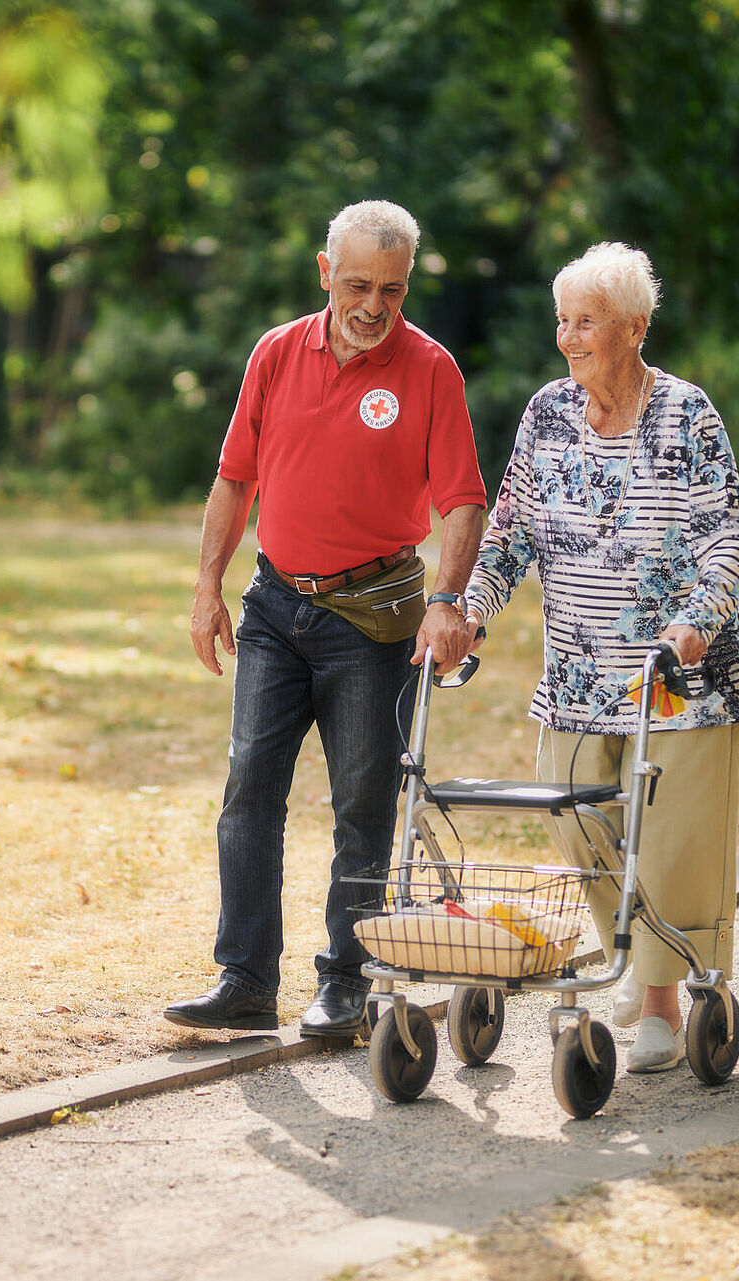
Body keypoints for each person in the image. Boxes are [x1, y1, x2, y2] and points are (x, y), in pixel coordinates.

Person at [166, 200, 487, 1037]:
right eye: (356, 285)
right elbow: (235, 479)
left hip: (375, 621)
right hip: (276, 606)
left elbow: (462, 503)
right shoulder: (276, 353)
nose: (374, 305)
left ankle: (344, 981)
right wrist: (207, 586)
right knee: (249, 795)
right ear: (324, 273)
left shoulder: (430, 370)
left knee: (362, 806)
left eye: (392, 288)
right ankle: (242, 979)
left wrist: (448, 602)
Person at [460, 241, 739, 1073]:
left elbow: (727, 533)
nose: (568, 336)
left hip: (678, 681)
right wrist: (470, 610)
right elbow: (510, 531)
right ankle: (635, 953)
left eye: (585, 320)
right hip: (580, 678)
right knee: (573, 814)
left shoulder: (688, 412)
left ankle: (661, 997)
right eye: (562, 319)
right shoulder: (547, 413)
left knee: (668, 839)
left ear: (634, 326)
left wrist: (696, 620)